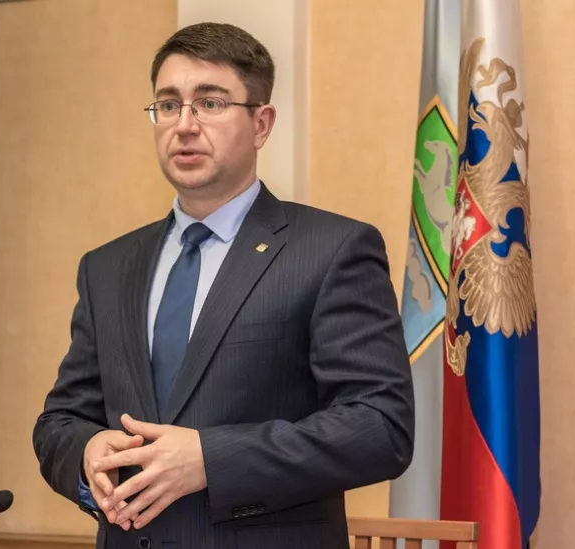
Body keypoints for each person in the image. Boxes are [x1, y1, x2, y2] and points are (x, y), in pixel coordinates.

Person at [32, 22, 414, 549]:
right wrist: (88, 451)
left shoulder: (332, 250)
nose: (184, 125)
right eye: (168, 105)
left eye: (210, 103)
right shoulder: (107, 267)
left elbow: (380, 427)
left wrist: (211, 460)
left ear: (262, 123)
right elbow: (60, 420)